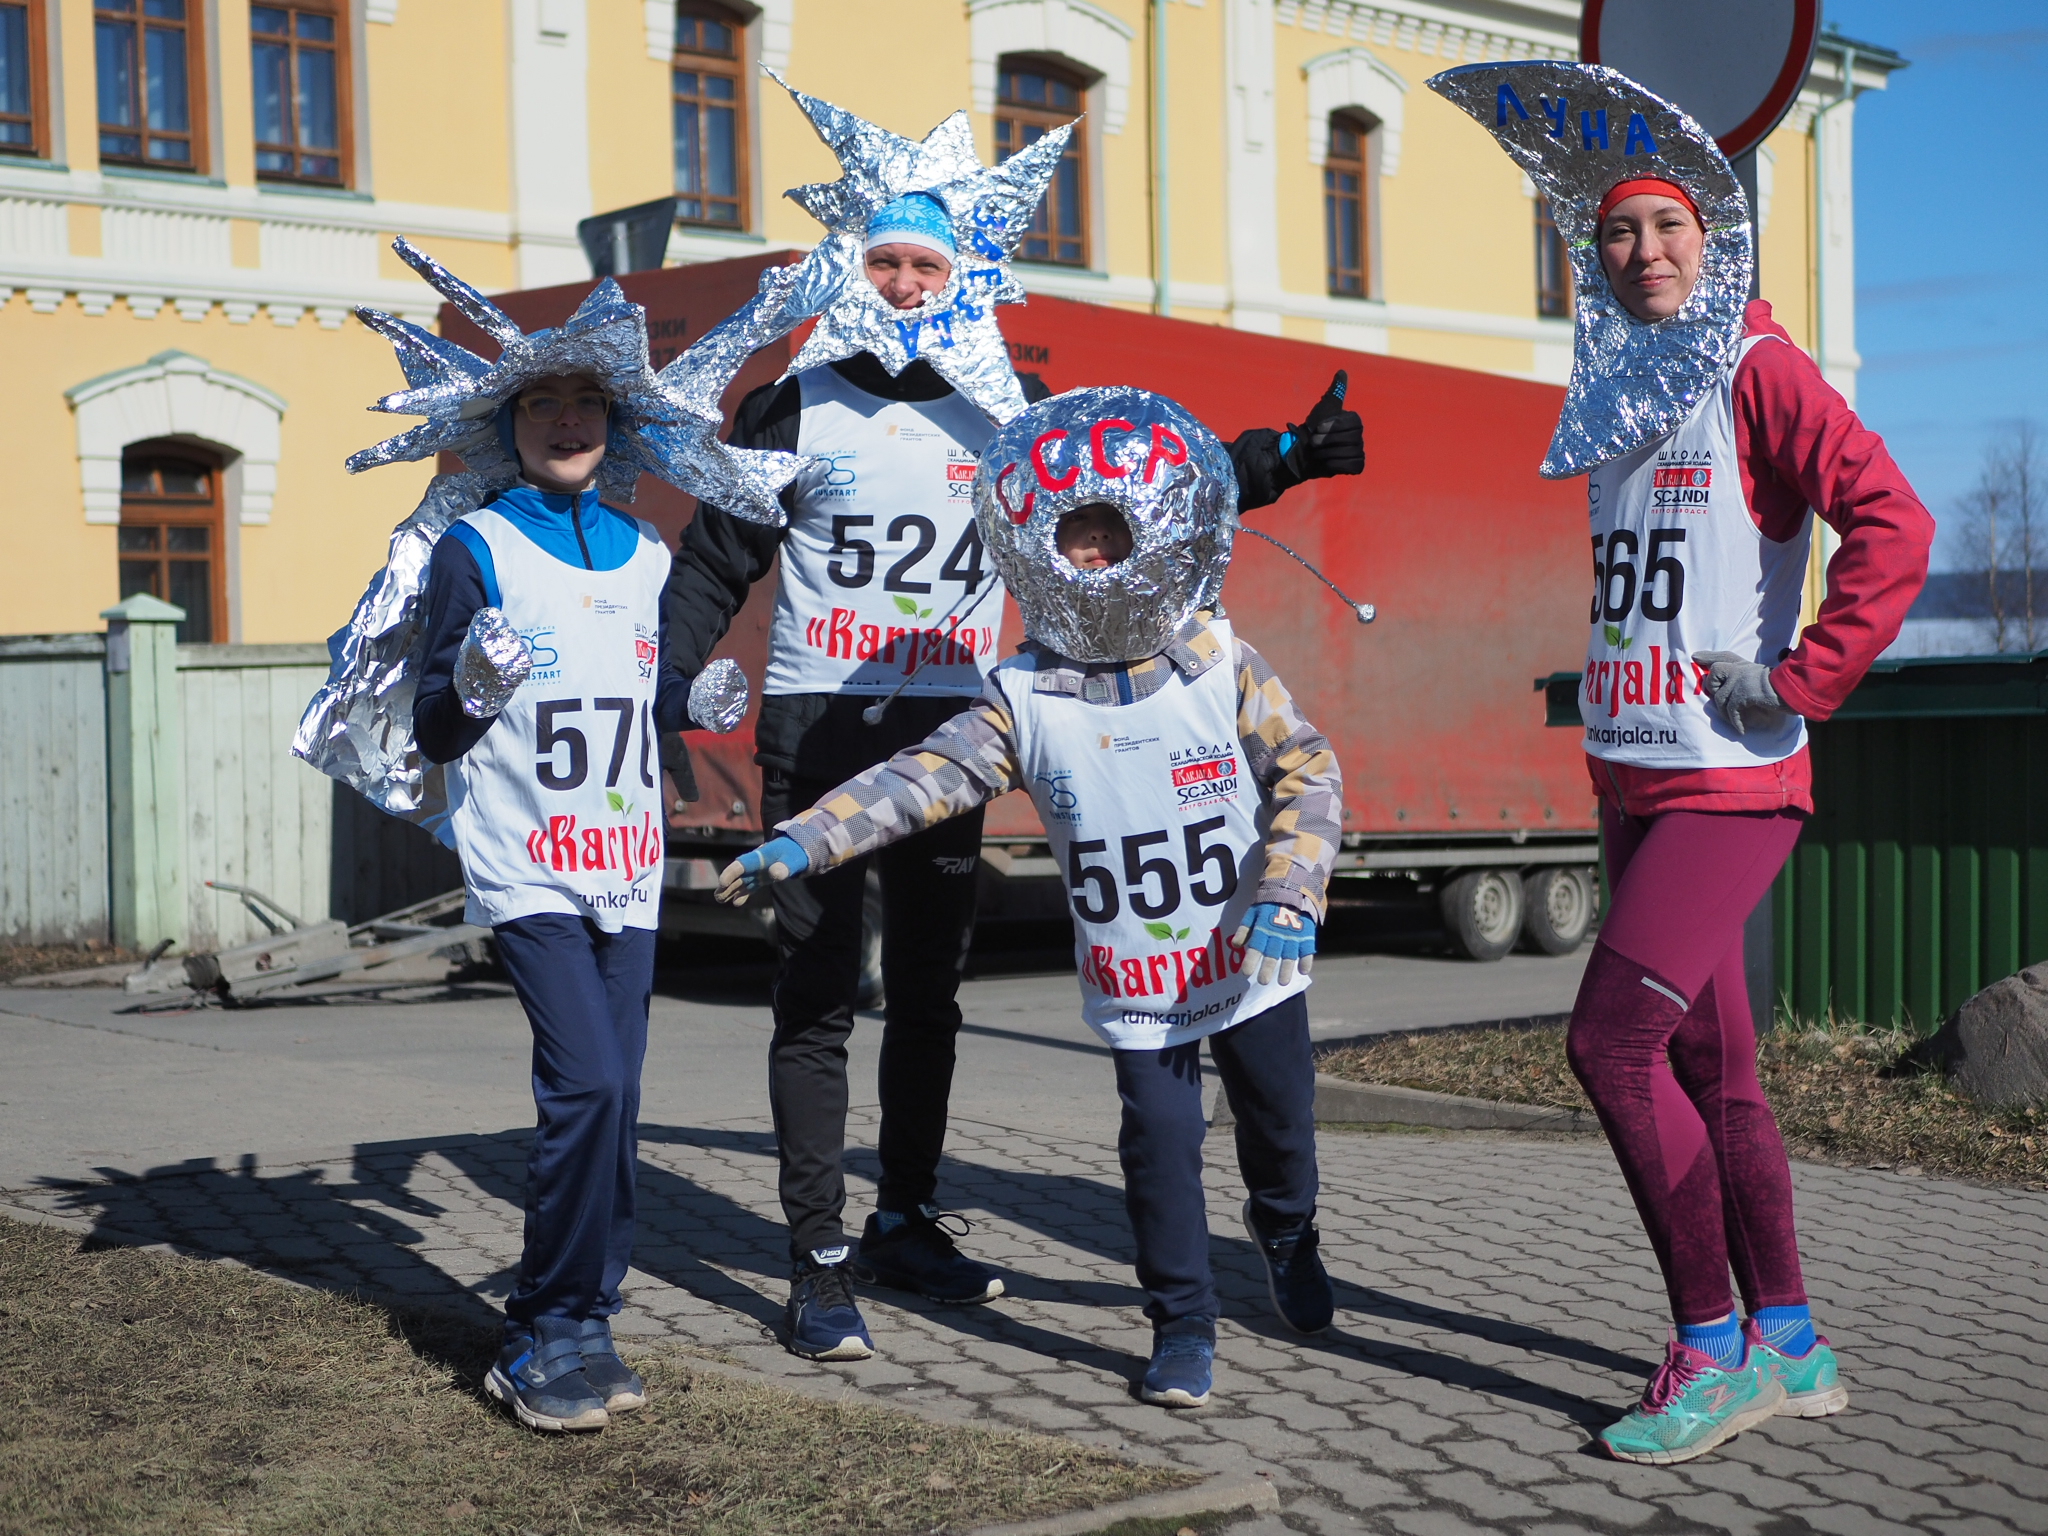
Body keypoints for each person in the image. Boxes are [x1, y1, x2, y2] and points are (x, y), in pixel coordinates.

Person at [665, 131, 1364, 1359]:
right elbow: (714, 560)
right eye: (880, 260)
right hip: (819, 723)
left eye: (924, 265)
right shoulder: (792, 400)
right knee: (821, 999)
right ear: (848, 265)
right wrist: (658, 685)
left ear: (962, 275)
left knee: (929, 995)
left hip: (962, 721)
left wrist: (1281, 461)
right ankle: (817, 1261)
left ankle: (907, 1219)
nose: (902, 286)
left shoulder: (1004, 405)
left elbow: (1138, 490)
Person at [1429, 63, 1933, 1463]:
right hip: (1634, 777)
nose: (1642, 253)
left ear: (1714, 238)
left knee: (1608, 1044)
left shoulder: (1759, 366)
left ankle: (1709, 1350)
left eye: (1666, 229)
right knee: (1720, 1077)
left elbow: (1895, 525)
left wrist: (1800, 679)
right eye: (1615, 233)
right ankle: (1795, 1340)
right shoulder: (1617, 384)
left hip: (1731, 779)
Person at [715, 388, 1344, 1408]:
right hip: (1138, 981)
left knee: (1279, 1128)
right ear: (1038, 557)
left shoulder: (1216, 658)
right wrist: (803, 839)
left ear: (1146, 540)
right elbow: (919, 778)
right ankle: (1181, 1325)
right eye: (1072, 543)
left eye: (1108, 538)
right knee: (1157, 1145)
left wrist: (1290, 886)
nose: (1090, 561)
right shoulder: (1019, 695)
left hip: (1251, 952)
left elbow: (1307, 771)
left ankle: (1286, 1230)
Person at [304, 243, 764, 1433]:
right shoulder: (478, 548)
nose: (567, 420)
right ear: (509, 424)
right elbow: (441, 729)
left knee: (617, 1099)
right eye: (544, 402)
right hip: (527, 864)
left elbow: (640, 695)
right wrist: (473, 685)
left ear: (616, 423)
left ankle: (590, 1311)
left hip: (632, 865)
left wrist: (692, 701)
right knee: (590, 1084)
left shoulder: (649, 553)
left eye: (587, 403)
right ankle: (543, 1330)